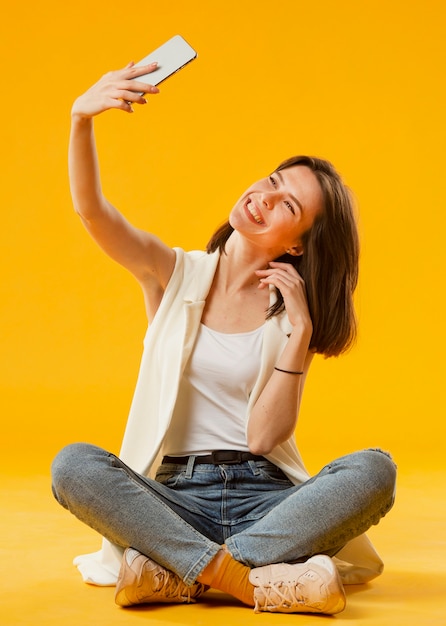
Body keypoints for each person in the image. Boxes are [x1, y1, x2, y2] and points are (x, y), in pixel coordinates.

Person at [51, 61, 396, 615]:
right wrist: (80, 119)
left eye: (286, 205)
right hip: (171, 499)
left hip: (269, 501)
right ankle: (251, 578)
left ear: (298, 247)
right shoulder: (171, 273)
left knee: (375, 470)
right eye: (273, 181)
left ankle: (181, 571)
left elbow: (262, 440)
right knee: (73, 465)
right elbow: (92, 212)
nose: (263, 196)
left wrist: (300, 334)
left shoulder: (292, 315)